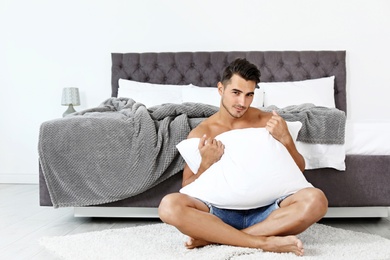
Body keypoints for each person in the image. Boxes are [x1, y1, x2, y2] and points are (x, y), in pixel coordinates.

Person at [158, 58, 328, 256]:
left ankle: (218, 238)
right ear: (221, 89)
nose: (242, 103)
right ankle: (265, 243)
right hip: (218, 213)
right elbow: (187, 187)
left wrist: (286, 140)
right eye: (236, 93)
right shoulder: (202, 133)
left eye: (249, 95)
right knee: (169, 206)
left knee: (317, 200)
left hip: (269, 211)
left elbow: (299, 169)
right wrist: (205, 164)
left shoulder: (268, 121)